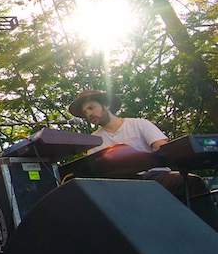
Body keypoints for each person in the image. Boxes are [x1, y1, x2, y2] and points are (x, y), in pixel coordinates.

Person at [69, 89, 216, 229]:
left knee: (192, 182)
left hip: (157, 176)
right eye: (85, 112)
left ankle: (213, 233)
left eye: (91, 108)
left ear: (106, 105)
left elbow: (164, 150)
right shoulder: (94, 140)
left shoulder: (139, 124)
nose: (88, 114)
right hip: (123, 187)